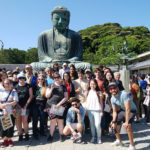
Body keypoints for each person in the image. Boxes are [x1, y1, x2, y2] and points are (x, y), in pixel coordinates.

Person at [31, 6, 91, 71]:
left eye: (64, 19)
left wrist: (69, 61)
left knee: (86, 66)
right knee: (33, 65)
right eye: (57, 19)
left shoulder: (75, 36)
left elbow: (78, 56)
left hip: (69, 64)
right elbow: (42, 56)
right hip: (51, 64)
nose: (60, 22)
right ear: (52, 19)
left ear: (68, 20)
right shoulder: (43, 35)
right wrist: (52, 61)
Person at [109, 82, 137, 150]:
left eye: (114, 88)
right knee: (113, 124)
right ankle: (119, 141)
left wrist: (126, 121)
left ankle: (132, 146)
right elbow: (114, 111)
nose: (113, 90)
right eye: (111, 89)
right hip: (123, 110)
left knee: (128, 126)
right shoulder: (112, 98)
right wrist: (113, 121)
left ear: (118, 88)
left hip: (131, 110)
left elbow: (128, 109)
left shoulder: (123, 94)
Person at [46, 72, 68, 142]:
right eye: (55, 78)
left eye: (58, 77)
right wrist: (51, 89)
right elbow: (47, 96)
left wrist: (59, 104)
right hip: (51, 105)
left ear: (60, 78)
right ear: (53, 79)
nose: (57, 79)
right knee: (53, 121)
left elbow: (66, 97)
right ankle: (51, 135)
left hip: (59, 105)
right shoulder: (50, 85)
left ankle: (61, 135)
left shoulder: (63, 87)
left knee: (60, 121)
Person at [0, 79, 18, 147]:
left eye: (8, 83)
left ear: (10, 83)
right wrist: (4, 109)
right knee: (3, 127)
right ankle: (5, 140)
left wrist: (6, 105)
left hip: (11, 112)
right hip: (3, 112)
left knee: (10, 127)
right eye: (5, 83)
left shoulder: (13, 92)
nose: (6, 85)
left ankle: (10, 140)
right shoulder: (1, 92)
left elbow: (15, 101)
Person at [15, 72, 33, 141]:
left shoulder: (28, 86)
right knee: (18, 120)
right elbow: (14, 97)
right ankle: (20, 134)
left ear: (24, 78)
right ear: (18, 79)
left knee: (25, 121)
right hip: (17, 106)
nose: (21, 79)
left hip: (26, 106)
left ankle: (26, 133)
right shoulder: (16, 86)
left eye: (22, 78)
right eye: (20, 78)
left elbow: (31, 96)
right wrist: (18, 105)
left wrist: (26, 105)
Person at [86, 79, 103, 144]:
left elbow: (101, 103)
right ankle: (93, 136)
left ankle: (99, 138)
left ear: (96, 85)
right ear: (89, 84)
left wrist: (101, 111)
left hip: (97, 110)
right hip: (90, 110)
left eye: (94, 84)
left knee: (97, 124)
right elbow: (86, 102)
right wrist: (86, 110)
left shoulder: (99, 92)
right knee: (92, 125)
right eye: (91, 84)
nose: (92, 85)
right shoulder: (87, 92)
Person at [32, 74, 47, 139]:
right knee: (35, 119)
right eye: (39, 79)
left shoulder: (45, 87)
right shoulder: (34, 87)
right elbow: (32, 96)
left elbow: (47, 98)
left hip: (43, 105)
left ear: (44, 80)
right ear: (37, 80)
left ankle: (42, 131)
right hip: (35, 105)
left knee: (42, 119)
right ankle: (34, 133)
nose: (40, 80)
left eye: (42, 79)